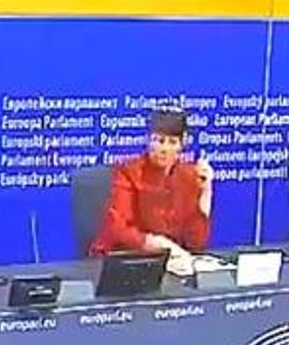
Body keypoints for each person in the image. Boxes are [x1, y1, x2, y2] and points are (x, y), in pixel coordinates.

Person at [89, 107, 213, 259]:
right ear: (149, 141)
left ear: (182, 145)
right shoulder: (128, 172)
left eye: (172, 142)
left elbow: (196, 243)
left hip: (167, 261)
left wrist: (205, 192)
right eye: (159, 141)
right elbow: (119, 230)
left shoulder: (188, 176)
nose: (164, 149)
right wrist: (156, 244)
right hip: (123, 257)